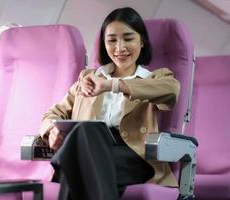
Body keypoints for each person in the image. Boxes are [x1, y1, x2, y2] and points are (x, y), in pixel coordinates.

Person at [39, 7, 180, 200]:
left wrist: (111, 85)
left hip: (132, 157)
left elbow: (171, 91)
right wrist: (51, 130)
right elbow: (52, 114)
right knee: (86, 135)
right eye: (112, 40)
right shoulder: (88, 77)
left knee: (76, 160)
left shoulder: (156, 78)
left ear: (142, 42)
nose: (119, 48)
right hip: (87, 149)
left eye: (128, 39)